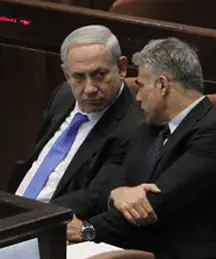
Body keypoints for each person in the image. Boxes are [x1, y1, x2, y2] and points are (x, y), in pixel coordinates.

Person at [66, 37, 216, 259]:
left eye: (141, 86)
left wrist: (88, 231)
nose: (137, 97)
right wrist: (117, 194)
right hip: (134, 250)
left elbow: (154, 204)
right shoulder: (149, 127)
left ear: (162, 85)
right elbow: (116, 186)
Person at [9, 25, 141, 227]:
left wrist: (28, 220)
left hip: (52, 224)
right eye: (78, 77)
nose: (89, 89)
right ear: (66, 74)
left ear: (122, 68)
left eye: (99, 74)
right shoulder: (63, 95)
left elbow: (94, 196)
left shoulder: (133, 124)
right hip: (13, 209)